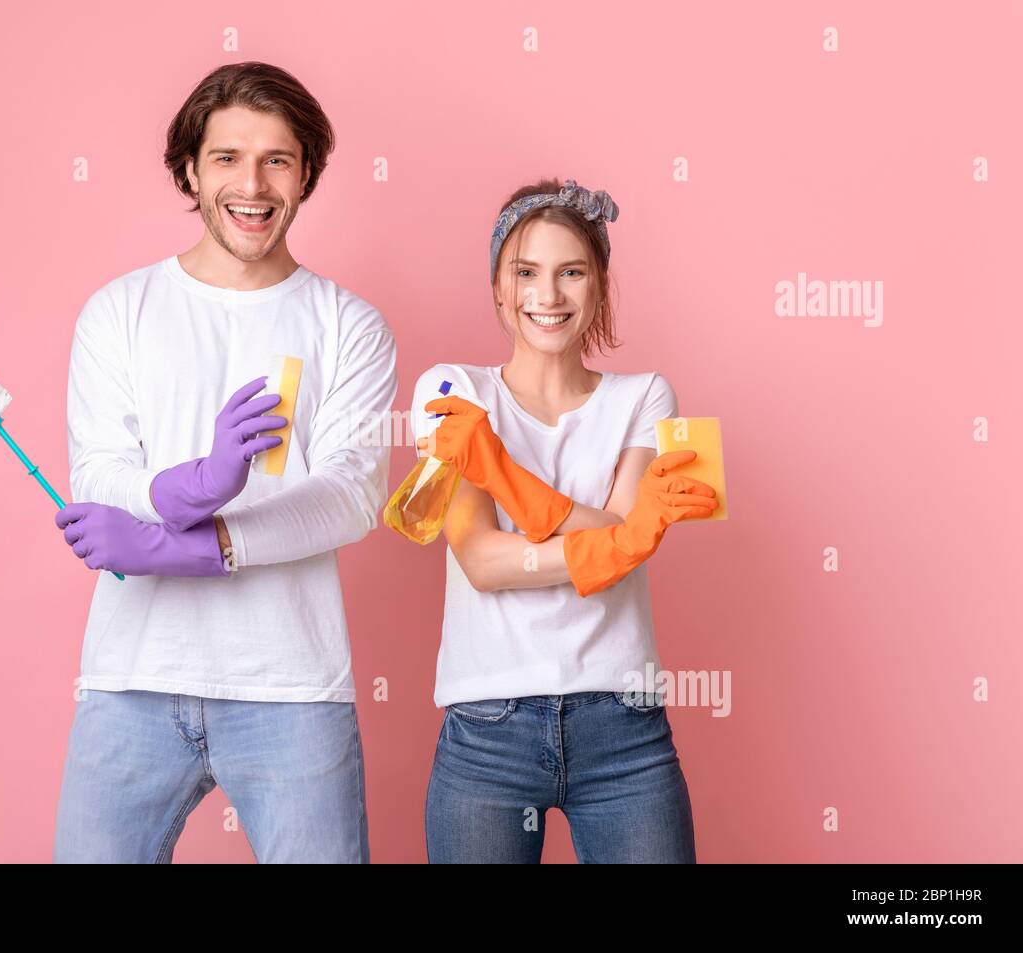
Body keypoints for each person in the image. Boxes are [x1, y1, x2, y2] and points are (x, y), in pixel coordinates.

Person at [50, 62, 397, 863]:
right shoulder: (119, 312)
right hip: (132, 678)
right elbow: (98, 475)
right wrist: (179, 488)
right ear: (190, 169)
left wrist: (194, 544)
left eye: (278, 158)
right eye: (227, 157)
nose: (253, 183)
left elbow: (350, 494)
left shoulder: (349, 324)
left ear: (306, 172)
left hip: (292, 686)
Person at [410, 177, 718, 863]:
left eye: (571, 272)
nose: (547, 297)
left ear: (599, 284)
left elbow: (621, 550)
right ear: (497, 286)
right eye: (526, 273)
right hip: (489, 727)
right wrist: (615, 536)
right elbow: (486, 564)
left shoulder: (645, 396)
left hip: (624, 728)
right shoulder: (452, 388)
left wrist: (498, 470)